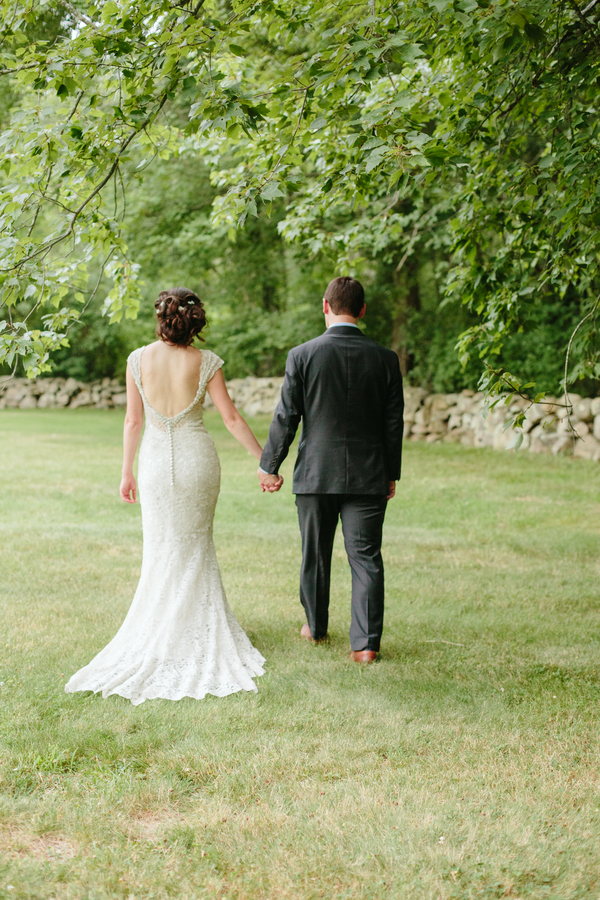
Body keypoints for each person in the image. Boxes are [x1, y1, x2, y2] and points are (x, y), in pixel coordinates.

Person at [65, 287, 279, 704]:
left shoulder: (137, 360)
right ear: (195, 321)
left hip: (155, 463)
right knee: (195, 544)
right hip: (198, 460)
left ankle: (164, 627)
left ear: (161, 317)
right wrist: (264, 461)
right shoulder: (207, 361)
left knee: (162, 545)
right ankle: (192, 629)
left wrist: (126, 471)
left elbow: (132, 420)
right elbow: (232, 419)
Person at [258, 276, 404, 663]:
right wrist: (390, 472)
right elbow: (394, 423)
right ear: (362, 310)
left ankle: (315, 627)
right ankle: (366, 644)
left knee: (315, 553)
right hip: (368, 474)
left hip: (315, 475)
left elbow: (287, 415)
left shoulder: (302, 355)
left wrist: (270, 465)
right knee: (366, 557)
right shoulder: (385, 359)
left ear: (325, 305)